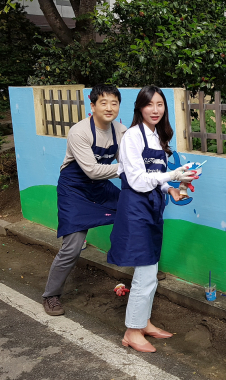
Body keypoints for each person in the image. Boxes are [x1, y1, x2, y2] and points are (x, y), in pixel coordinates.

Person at [107, 86, 196, 353]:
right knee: (145, 273)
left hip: (153, 208)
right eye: (149, 105)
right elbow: (136, 180)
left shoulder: (158, 137)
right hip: (135, 210)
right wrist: (172, 177)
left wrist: (171, 190)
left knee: (151, 271)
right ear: (140, 108)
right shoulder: (132, 137)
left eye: (160, 105)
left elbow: (155, 178)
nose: (155, 110)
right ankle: (132, 332)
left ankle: (143, 322)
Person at [42, 85, 127, 316]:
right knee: (72, 246)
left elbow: (126, 161)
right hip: (75, 189)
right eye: (104, 102)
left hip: (98, 187)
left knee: (134, 210)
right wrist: (127, 167)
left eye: (114, 103)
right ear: (93, 106)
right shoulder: (80, 131)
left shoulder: (120, 131)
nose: (109, 108)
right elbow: (91, 170)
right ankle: (51, 295)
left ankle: (145, 263)